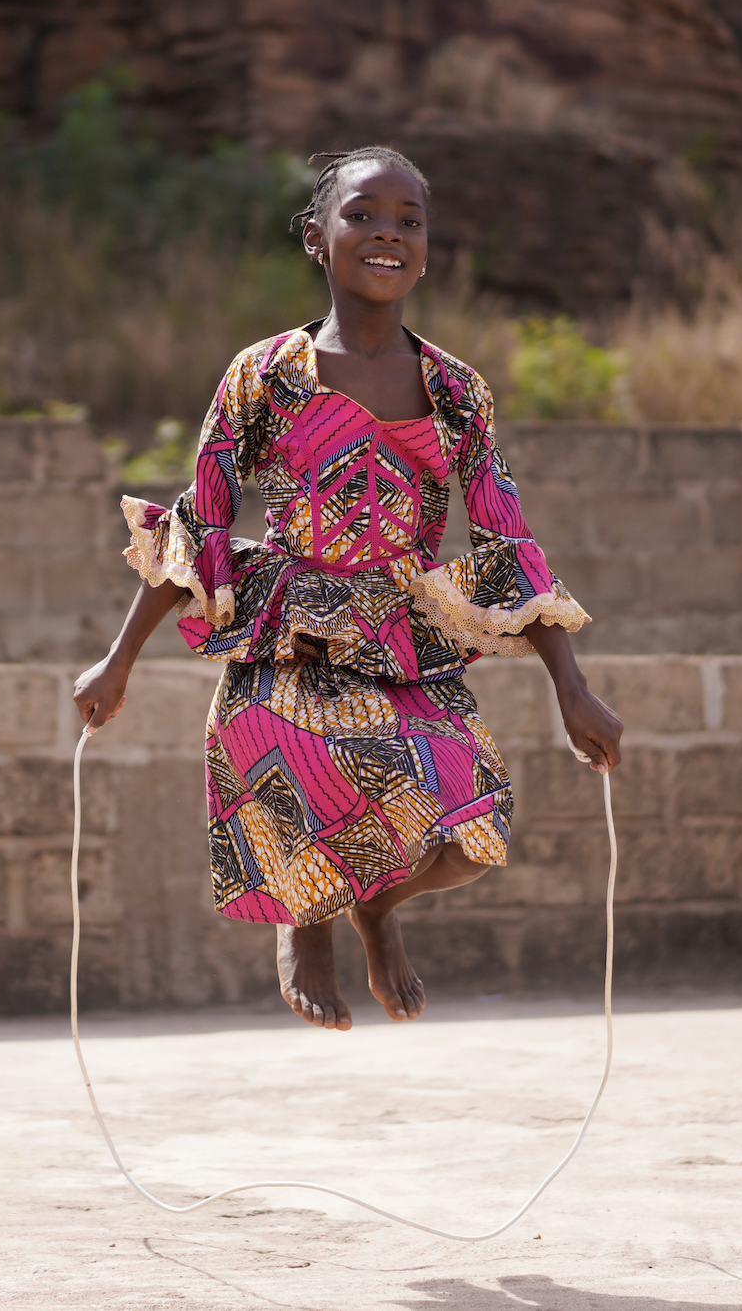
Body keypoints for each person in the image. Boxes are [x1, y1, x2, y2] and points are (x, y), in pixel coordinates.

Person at [72, 146, 624, 1031]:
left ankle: (374, 906)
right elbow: (201, 521)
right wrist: (117, 663)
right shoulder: (263, 376)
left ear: (427, 248)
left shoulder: (455, 393)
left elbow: (507, 538)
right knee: (291, 778)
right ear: (316, 237)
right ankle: (310, 916)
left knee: (473, 834)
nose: (388, 234)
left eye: (410, 220)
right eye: (364, 214)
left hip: (404, 644)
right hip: (285, 644)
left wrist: (574, 687)